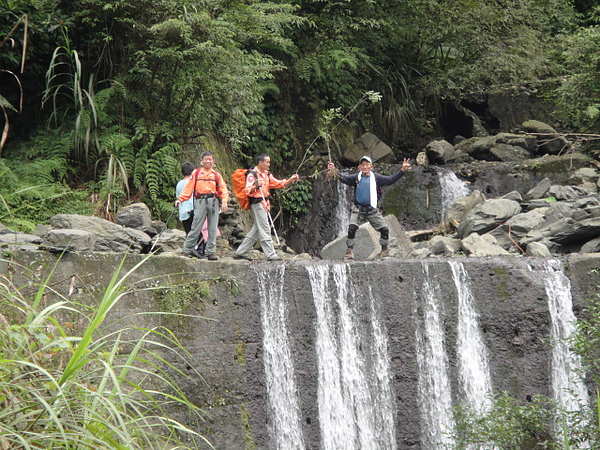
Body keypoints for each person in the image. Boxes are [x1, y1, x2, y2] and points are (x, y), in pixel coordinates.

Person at [327, 155, 411, 259]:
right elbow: (344, 179)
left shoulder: (376, 178)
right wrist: (333, 170)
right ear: (359, 167)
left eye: (367, 164)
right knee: (351, 229)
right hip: (358, 209)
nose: (364, 166)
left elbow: (390, 180)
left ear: (371, 167)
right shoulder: (356, 178)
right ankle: (349, 252)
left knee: (384, 229)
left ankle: (384, 250)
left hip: (372, 210)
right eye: (362, 165)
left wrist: (402, 170)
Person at [234, 154, 299, 261]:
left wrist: (290, 180)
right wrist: (255, 185)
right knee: (265, 228)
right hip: (257, 203)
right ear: (260, 163)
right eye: (267, 162)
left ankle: (241, 252)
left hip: (265, 204)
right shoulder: (252, 175)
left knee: (256, 229)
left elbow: (277, 183)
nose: (269, 164)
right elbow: (247, 190)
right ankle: (270, 254)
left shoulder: (266, 174)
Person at [176, 151, 229, 261]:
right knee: (196, 226)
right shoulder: (196, 173)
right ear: (201, 161)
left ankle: (211, 252)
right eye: (206, 159)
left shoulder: (216, 175)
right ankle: (187, 250)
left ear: (213, 161)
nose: (208, 161)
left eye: (210, 159)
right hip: (200, 201)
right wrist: (180, 199)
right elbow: (188, 188)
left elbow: (223, 189)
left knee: (212, 228)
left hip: (213, 201)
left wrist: (224, 201)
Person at [176, 162, 205, 257]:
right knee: (200, 232)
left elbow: (179, 198)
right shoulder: (193, 182)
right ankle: (200, 252)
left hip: (183, 212)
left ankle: (190, 251)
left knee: (189, 233)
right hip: (193, 210)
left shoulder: (179, 184)